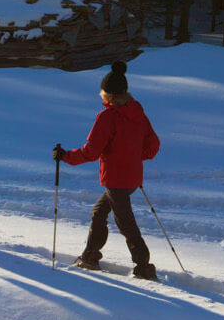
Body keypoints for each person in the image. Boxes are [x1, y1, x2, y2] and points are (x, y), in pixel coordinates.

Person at [53, 60, 160, 280]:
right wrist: (131, 158)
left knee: (126, 223)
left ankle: (143, 267)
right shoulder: (138, 113)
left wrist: (65, 156)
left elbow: (91, 152)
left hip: (117, 179)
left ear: (108, 95)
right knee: (99, 212)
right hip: (131, 178)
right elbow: (153, 146)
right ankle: (90, 256)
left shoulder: (107, 117)